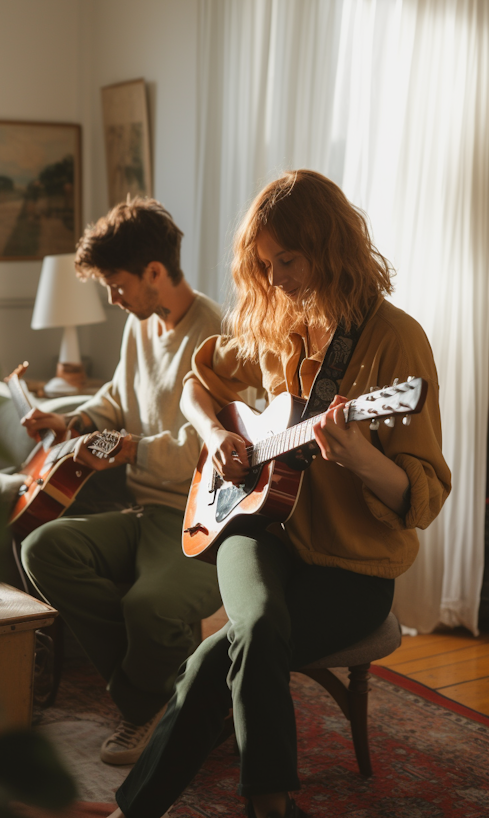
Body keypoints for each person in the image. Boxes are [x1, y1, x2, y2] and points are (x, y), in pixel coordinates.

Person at [94, 170, 451, 818]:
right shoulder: (278, 321)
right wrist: (215, 435)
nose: (277, 278)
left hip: (352, 568)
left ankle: (145, 812)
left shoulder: (396, 340)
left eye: (287, 259)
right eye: (265, 264)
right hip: (261, 529)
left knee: (221, 654)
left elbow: (422, 499)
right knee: (257, 625)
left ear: (330, 245)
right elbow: (198, 383)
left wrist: (363, 457)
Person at [20, 197, 222, 765]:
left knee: (149, 605)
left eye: (117, 285)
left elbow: (205, 451)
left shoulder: (216, 342)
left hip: (200, 522)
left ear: (155, 272)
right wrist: (70, 421)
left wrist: (129, 448)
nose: (113, 298)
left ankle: (147, 707)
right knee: (43, 549)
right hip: (148, 515)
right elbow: (116, 396)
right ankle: (167, 692)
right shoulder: (142, 326)